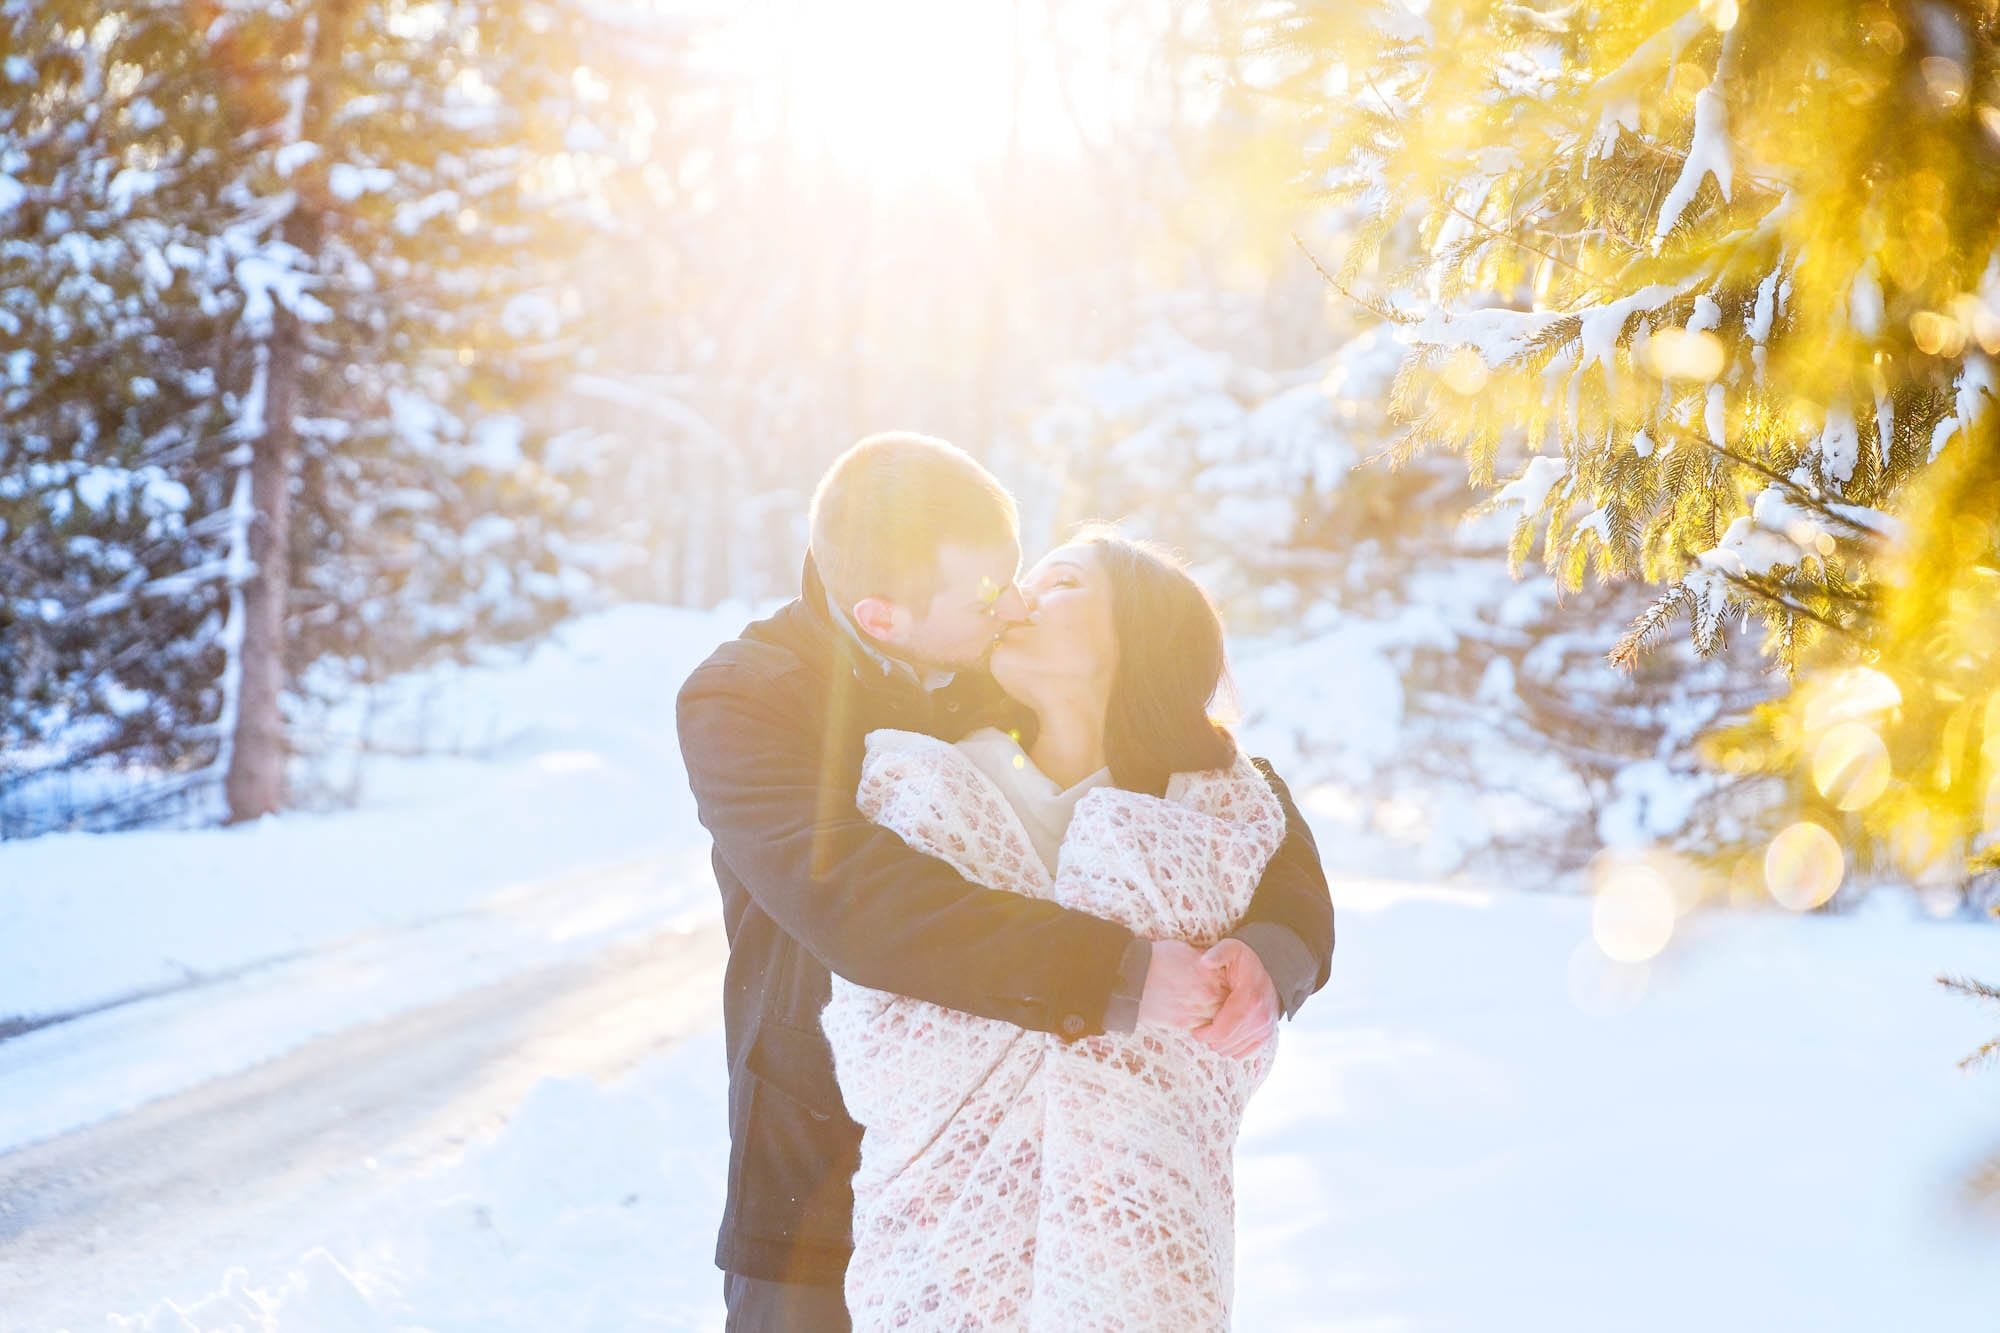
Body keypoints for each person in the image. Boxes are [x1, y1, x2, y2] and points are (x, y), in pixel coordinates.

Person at [676, 433, 1334, 1330]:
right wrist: (1121, 973)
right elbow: (859, 900)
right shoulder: (750, 698)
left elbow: (1246, 809)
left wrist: (1276, 950)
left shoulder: (996, 668)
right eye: (996, 594)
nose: (1016, 603)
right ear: (883, 617)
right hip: (813, 1170)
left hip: (1066, 1206)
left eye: (1027, 577)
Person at [825, 529, 1295, 1330]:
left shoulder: (1218, 817)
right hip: (939, 1261)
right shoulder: (919, 785)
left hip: (1145, 1261)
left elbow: (1210, 1055)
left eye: (1060, 583)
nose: (1014, 602)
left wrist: (1269, 963)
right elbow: (883, 1023)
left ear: (1142, 632)